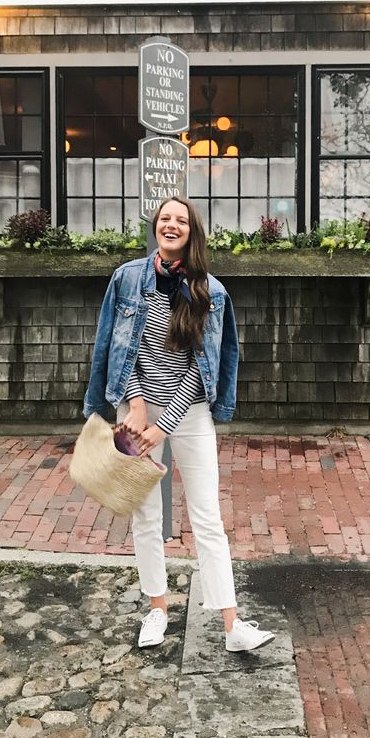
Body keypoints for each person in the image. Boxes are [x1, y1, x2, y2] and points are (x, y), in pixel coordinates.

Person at [83, 196, 274, 653]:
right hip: (137, 413)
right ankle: (157, 611)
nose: (172, 226)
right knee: (145, 515)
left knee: (207, 517)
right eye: (165, 219)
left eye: (181, 221)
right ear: (156, 225)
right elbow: (113, 346)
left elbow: (201, 369)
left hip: (188, 416)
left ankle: (232, 625)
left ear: (192, 232)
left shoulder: (212, 291)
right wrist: (136, 404)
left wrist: (164, 423)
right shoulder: (127, 279)